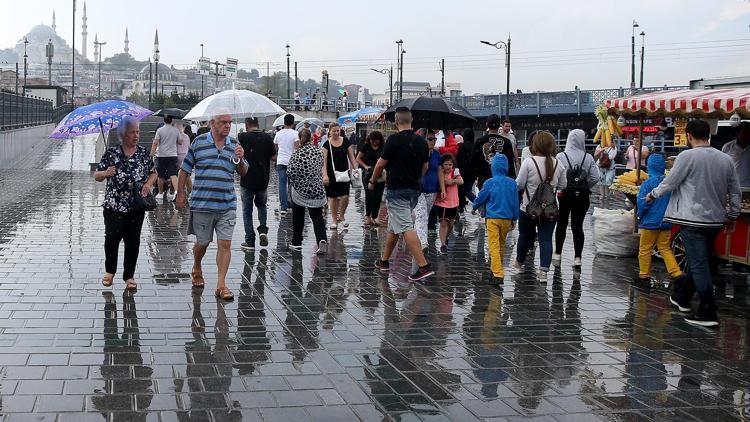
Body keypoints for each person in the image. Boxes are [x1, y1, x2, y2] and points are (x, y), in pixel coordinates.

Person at [646, 119, 740, 327]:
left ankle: (708, 311)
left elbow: (671, 181)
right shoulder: (725, 159)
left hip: (691, 218)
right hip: (715, 220)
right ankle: (682, 296)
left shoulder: (686, 156)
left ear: (688, 135)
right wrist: (733, 214)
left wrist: (653, 194)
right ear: (709, 135)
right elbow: (735, 189)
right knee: (701, 259)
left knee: (698, 264)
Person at [176, 112, 249, 301]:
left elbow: (244, 172)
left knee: (225, 244)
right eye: (223, 122)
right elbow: (185, 169)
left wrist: (241, 158)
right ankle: (197, 266)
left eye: (229, 123)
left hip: (227, 204)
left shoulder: (234, 145)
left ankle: (221, 285)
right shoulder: (199, 142)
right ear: (212, 123)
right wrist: (181, 193)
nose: (227, 125)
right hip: (202, 204)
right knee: (203, 242)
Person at [370, 107, 435, 281]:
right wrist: (415, 177)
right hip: (414, 190)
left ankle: (423, 266)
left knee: (405, 226)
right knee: (394, 225)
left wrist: (372, 181)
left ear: (396, 121)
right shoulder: (421, 142)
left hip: (397, 189)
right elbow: (426, 167)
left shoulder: (393, 140)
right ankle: (384, 261)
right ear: (411, 119)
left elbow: (380, 165)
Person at [94, 116, 157, 291]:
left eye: (137, 131)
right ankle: (109, 272)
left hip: (136, 206)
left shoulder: (143, 153)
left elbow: (154, 173)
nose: (136, 135)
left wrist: (147, 184)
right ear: (123, 134)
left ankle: (129, 276)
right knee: (112, 239)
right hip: (114, 205)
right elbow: (96, 176)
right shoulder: (111, 153)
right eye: (132, 132)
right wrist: (106, 172)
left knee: (133, 241)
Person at [514, 131, 567, 283]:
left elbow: (519, 184)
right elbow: (563, 185)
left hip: (528, 208)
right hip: (550, 209)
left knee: (524, 236)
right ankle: (543, 271)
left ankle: (520, 263)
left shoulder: (529, 162)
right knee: (546, 239)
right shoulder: (558, 163)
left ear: (535, 144)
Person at [634, 154, 685, 289]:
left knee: (645, 249)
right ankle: (677, 273)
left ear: (650, 167)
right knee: (665, 248)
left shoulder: (648, 184)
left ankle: (644, 276)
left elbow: (642, 203)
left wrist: (640, 216)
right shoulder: (669, 182)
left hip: (650, 223)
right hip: (667, 222)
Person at [553, 129, 600, 267]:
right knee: (577, 226)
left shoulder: (561, 156)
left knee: (561, 223)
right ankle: (577, 257)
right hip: (582, 198)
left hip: (564, 195)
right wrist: (585, 187)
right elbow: (595, 177)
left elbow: (556, 175)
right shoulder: (588, 157)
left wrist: (561, 187)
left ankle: (557, 253)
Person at [472, 154, 519, 285]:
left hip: (492, 218)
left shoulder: (489, 182)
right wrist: (514, 218)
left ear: (493, 167)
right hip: (507, 218)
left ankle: (497, 273)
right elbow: (516, 202)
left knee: (493, 244)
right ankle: (497, 268)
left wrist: (474, 207)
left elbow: (481, 197)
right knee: (502, 243)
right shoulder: (512, 183)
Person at [286, 128, 328, 253]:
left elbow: (290, 172)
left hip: (300, 190)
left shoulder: (297, 153)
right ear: (311, 138)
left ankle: (297, 242)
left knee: (298, 216)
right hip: (316, 190)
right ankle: (322, 239)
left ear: (300, 138)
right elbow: (321, 167)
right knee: (317, 216)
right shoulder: (318, 152)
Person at [238, 117, 275, 250]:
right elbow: (273, 156)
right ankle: (263, 230)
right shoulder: (267, 137)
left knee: (247, 210)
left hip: (246, 179)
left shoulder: (242, 137)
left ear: (247, 125)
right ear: (258, 124)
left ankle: (250, 240)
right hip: (262, 179)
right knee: (261, 206)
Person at [322, 122, 358, 230]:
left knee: (345, 196)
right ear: (330, 132)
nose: (336, 133)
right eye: (334, 131)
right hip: (331, 174)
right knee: (332, 198)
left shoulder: (345, 141)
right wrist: (325, 175)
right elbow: (323, 161)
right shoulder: (326, 144)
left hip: (344, 172)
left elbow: (351, 156)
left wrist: (355, 168)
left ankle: (341, 215)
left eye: (338, 131)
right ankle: (334, 220)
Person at [472, 114, 517, 195]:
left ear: (487, 124)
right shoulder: (506, 142)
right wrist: (513, 179)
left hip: (484, 178)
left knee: (485, 204)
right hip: (502, 180)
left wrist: (476, 176)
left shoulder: (480, 141)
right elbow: (510, 163)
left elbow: (473, 162)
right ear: (500, 125)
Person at [414, 130, 441, 249]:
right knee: (421, 215)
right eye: (430, 139)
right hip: (419, 189)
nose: (433, 141)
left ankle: (415, 236)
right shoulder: (417, 153)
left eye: (434, 139)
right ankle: (422, 243)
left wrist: (443, 187)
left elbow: (439, 171)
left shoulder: (436, 154)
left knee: (424, 215)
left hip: (432, 189)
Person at [434, 154, 463, 254]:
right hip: (442, 202)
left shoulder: (455, 171)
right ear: (442, 165)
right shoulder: (439, 172)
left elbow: (461, 181)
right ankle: (442, 245)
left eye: (450, 164)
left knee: (450, 224)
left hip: (453, 202)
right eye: (445, 164)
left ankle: (445, 238)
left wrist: (452, 181)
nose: (448, 167)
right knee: (443, 222)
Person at [356, 131, 386, 227]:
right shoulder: (366, 147)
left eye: (376, 140)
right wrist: (365, 166)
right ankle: (367, 216)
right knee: (369, 195)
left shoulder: (383, 147)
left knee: (378, 196)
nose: (374, 142)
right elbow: (358, 158)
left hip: (380, 175)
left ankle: (374, 216)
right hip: (368, 174)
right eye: (372, 140)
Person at [151, 115, 182, 201]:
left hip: (162, 155)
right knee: (173, 174)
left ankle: (160, 193)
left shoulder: (160, 130)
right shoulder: (175, 130)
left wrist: (152, 153)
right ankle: (176, 192)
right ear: (171, 120)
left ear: (164, 120)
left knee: (160, 175)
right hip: (173, 155)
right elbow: (180, 142)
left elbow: (155, 143)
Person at [273, 114, 298, 215]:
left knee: (282, 184)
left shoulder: (278, 133)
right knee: (292, 184)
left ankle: (283, 206)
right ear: (293, 123)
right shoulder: (296, 133)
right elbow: (297, 147)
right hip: (291, 162)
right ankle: (291, 203)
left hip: (281, 161)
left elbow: (275, 147)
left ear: (284, 122)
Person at [721, 122, 750, 187]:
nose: (746, 136)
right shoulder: (728, 147)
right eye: (744, 133)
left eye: (749, 133)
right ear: (737, 133)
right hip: (732, 186)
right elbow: (723, 167)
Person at [456, 128, 476, 214]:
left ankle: (461, 208)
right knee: (468, 190)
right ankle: (477, 203)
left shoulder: (462, 147)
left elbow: (458, 160)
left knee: (462, 191)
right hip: (472, 173)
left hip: (463, 172)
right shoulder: (475, 146)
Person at [176, 122, 193, 194]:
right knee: (186, 174)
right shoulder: (186, 136)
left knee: (179, 174)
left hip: (178, 156)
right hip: (186, 156)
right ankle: (190, 190)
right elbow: (189, 147)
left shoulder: (175, 136)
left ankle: (182, 191)